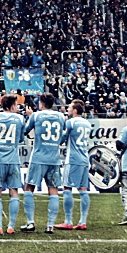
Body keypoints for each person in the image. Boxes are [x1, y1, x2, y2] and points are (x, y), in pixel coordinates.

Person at [21, 94, 68, 233]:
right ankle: (50, 225)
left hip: (38, 157)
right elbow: (63, 133)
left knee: (29, 188)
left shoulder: (36, 116)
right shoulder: (60, 116)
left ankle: (30, 222)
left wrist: (30, 116)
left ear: (41, 104)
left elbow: (25, 130)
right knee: (53, 191)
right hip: (54, 158)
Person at [0, 94, 26, 236]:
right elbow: (21, 138)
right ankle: (11, 226)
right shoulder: (20, 119)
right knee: (14, 192)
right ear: (13, 105)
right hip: (13, 159)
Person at [56, 99, 92, 230]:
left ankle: (68, 220)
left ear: (75, 110)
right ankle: (82, 221)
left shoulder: (70, 122)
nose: (68, 109)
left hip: (73, 159)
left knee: (67, 188)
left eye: (70, 108)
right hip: (84, 159)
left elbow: (62, 139)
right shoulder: (87, 124)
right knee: (83, 190)